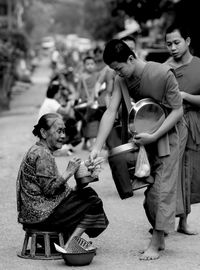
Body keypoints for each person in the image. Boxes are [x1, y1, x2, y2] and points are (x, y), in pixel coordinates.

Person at [89, 39, 183, 260]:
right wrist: (96, 146)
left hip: (168, 136)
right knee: (151, 194)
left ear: (130, 58)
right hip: (145, 137)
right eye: (114, 70)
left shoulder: (162, 74)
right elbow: (111, 112)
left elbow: (177, 111)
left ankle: (155, 241)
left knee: (162, 190)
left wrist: (156, 134)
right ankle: (159, 237)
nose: (118, 73)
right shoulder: (122, 79)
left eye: (119, 68)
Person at [16, 113, 109, 250]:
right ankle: (70, 244)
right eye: (59, 131)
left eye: (64, 131)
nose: (63, 136)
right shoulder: (42, 154)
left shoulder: (40, 150)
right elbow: (50, 190)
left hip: (36, 214)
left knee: (86, 193)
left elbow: (60, 193)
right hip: (41, 216)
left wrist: (81, 179)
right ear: (43, 132)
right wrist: (69, 172)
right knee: (92, 201)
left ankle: (66, 240)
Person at [165, 23, 200, 235]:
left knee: (189, 172)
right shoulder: (165, 67)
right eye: (169, 44)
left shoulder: (199, 65)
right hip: (172, 124)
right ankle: (162, 220)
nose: (173, 48)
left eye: (177, 42)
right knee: (169, 172)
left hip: (194, 123)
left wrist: (185, 96)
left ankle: (183, 221)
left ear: (187, 41)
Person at [38, 81, 81, 152]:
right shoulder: (51, 102)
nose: (60, 95)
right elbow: (65, 112)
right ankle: (63, 145)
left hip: (45, 128)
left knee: (67, 122)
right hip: (47, 129)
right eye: (59, 93)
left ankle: (62, 144)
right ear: (56, 94)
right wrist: (70, 103)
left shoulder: (48, 100)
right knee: (70, 123)